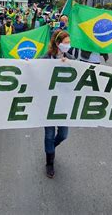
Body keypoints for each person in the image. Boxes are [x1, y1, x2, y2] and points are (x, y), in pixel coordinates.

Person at [40, 29, 74, 178]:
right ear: (58, 43)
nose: (68, 45)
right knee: (49, 134)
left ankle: (50, 148)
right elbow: (33, 70)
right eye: (66, 43)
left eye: (69, 43)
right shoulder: (46, 58)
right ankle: (50, 163)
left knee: (63, 134)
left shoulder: (71, 58)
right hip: (48, 102)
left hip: (64, 103)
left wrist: (70, 65)